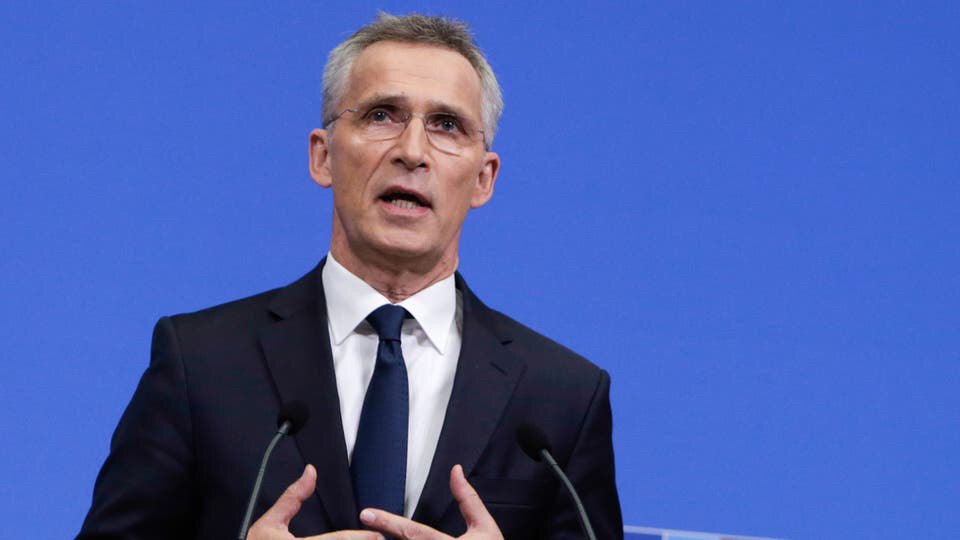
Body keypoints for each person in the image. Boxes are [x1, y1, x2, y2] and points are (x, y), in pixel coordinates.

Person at [78, 13, 622, 540]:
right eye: (382, 115)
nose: (412, 151)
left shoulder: (561, 399)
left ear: (484, 178)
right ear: (323, 156)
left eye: (446, 125)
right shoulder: (202, 363)